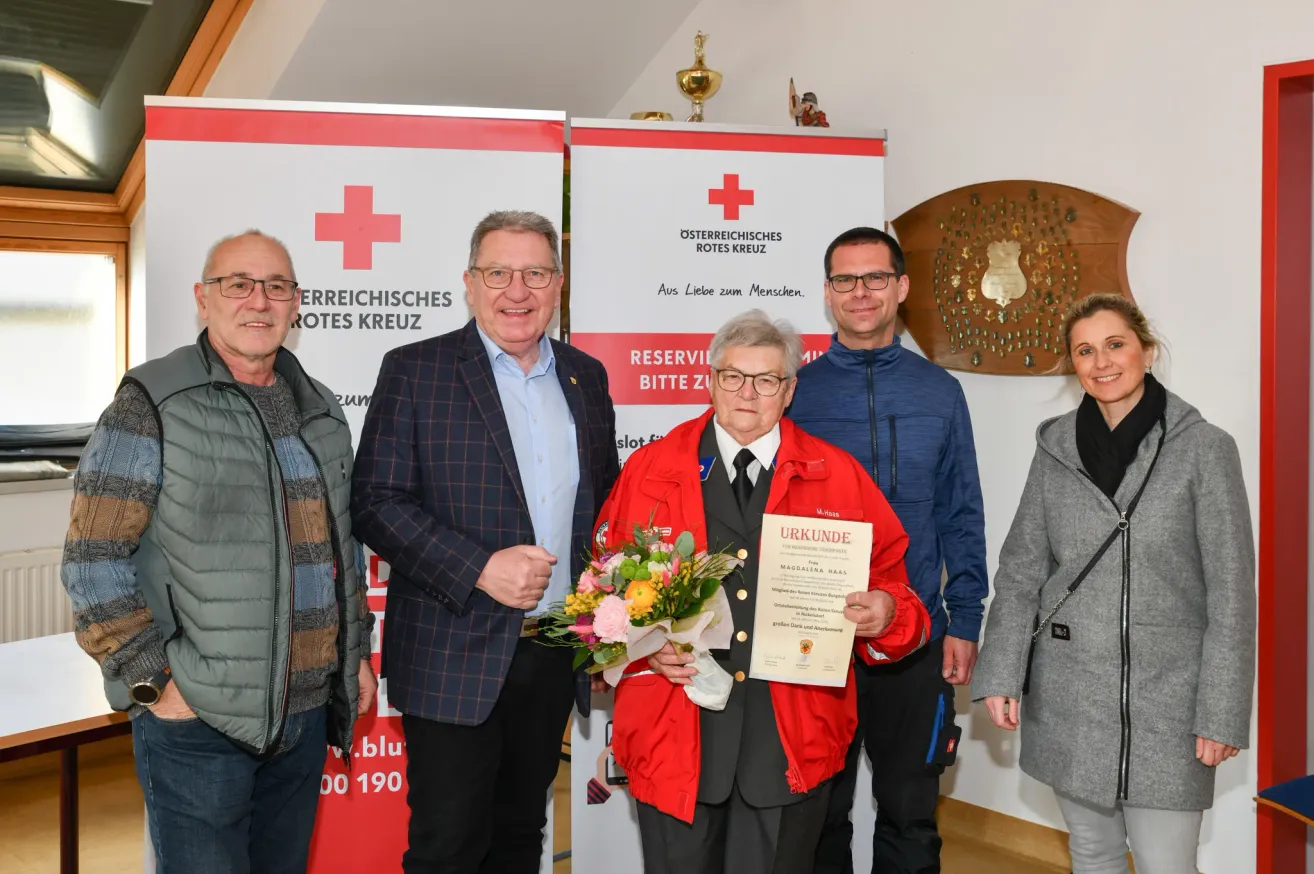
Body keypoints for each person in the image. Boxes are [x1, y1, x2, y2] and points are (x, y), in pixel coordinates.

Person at [60, 230, 376, 874]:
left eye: (276, 287)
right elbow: (93, 557)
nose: (258, 301)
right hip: (198, 721)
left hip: (305, 713)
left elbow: (337, 548)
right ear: (203, 299)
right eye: (238, 284)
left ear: (295, 304)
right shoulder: (151, 402)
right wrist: (154, 680)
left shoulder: (319, 409)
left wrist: (354, 657)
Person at [598, 309, 931, 874]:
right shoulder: (651, 469)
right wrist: (643, 645)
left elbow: (899, 590)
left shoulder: (839, 475)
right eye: (733, 376)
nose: (747, 393)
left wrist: (887, 613)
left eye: (767, 380)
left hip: (789, 742)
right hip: (673, 737)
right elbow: (602, 596)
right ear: (710, 380)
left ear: (790, 389)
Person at [351, 210, 621, 874]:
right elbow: (374, 503)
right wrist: (479, 569)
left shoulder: (587, 379)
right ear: (470, 284)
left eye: (535, 273)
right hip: (452, 650)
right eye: (498, 272)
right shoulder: (417, 371)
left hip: (553, 650)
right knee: (447, 846)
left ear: (557, 285)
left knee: (520, 833)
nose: (517, 291)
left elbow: (605, 509)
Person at [971, 293, 1256, 874]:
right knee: (1093, 854)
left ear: (1146, 352)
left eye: (1115, 344)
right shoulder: (1053, 449)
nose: (1101, 362)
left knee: (1165, 865)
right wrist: (1000, 672)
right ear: (1072, 365)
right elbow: (1023, 568)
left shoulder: (1205, 449)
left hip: (1169, 703)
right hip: (1072, 695)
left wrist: (1221, 712)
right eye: (1084, 350)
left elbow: (1233, 594)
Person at [792, 227, 987, 874]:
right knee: (818, 816)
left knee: (911, 816)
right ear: (827, 294)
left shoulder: (940, 392)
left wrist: (964, 619)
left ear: (901, 287)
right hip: (816, 638)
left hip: (915, 636)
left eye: (875, 277)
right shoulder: (795, 392)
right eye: (845, 280)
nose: (861, 292)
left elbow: (961, 512)